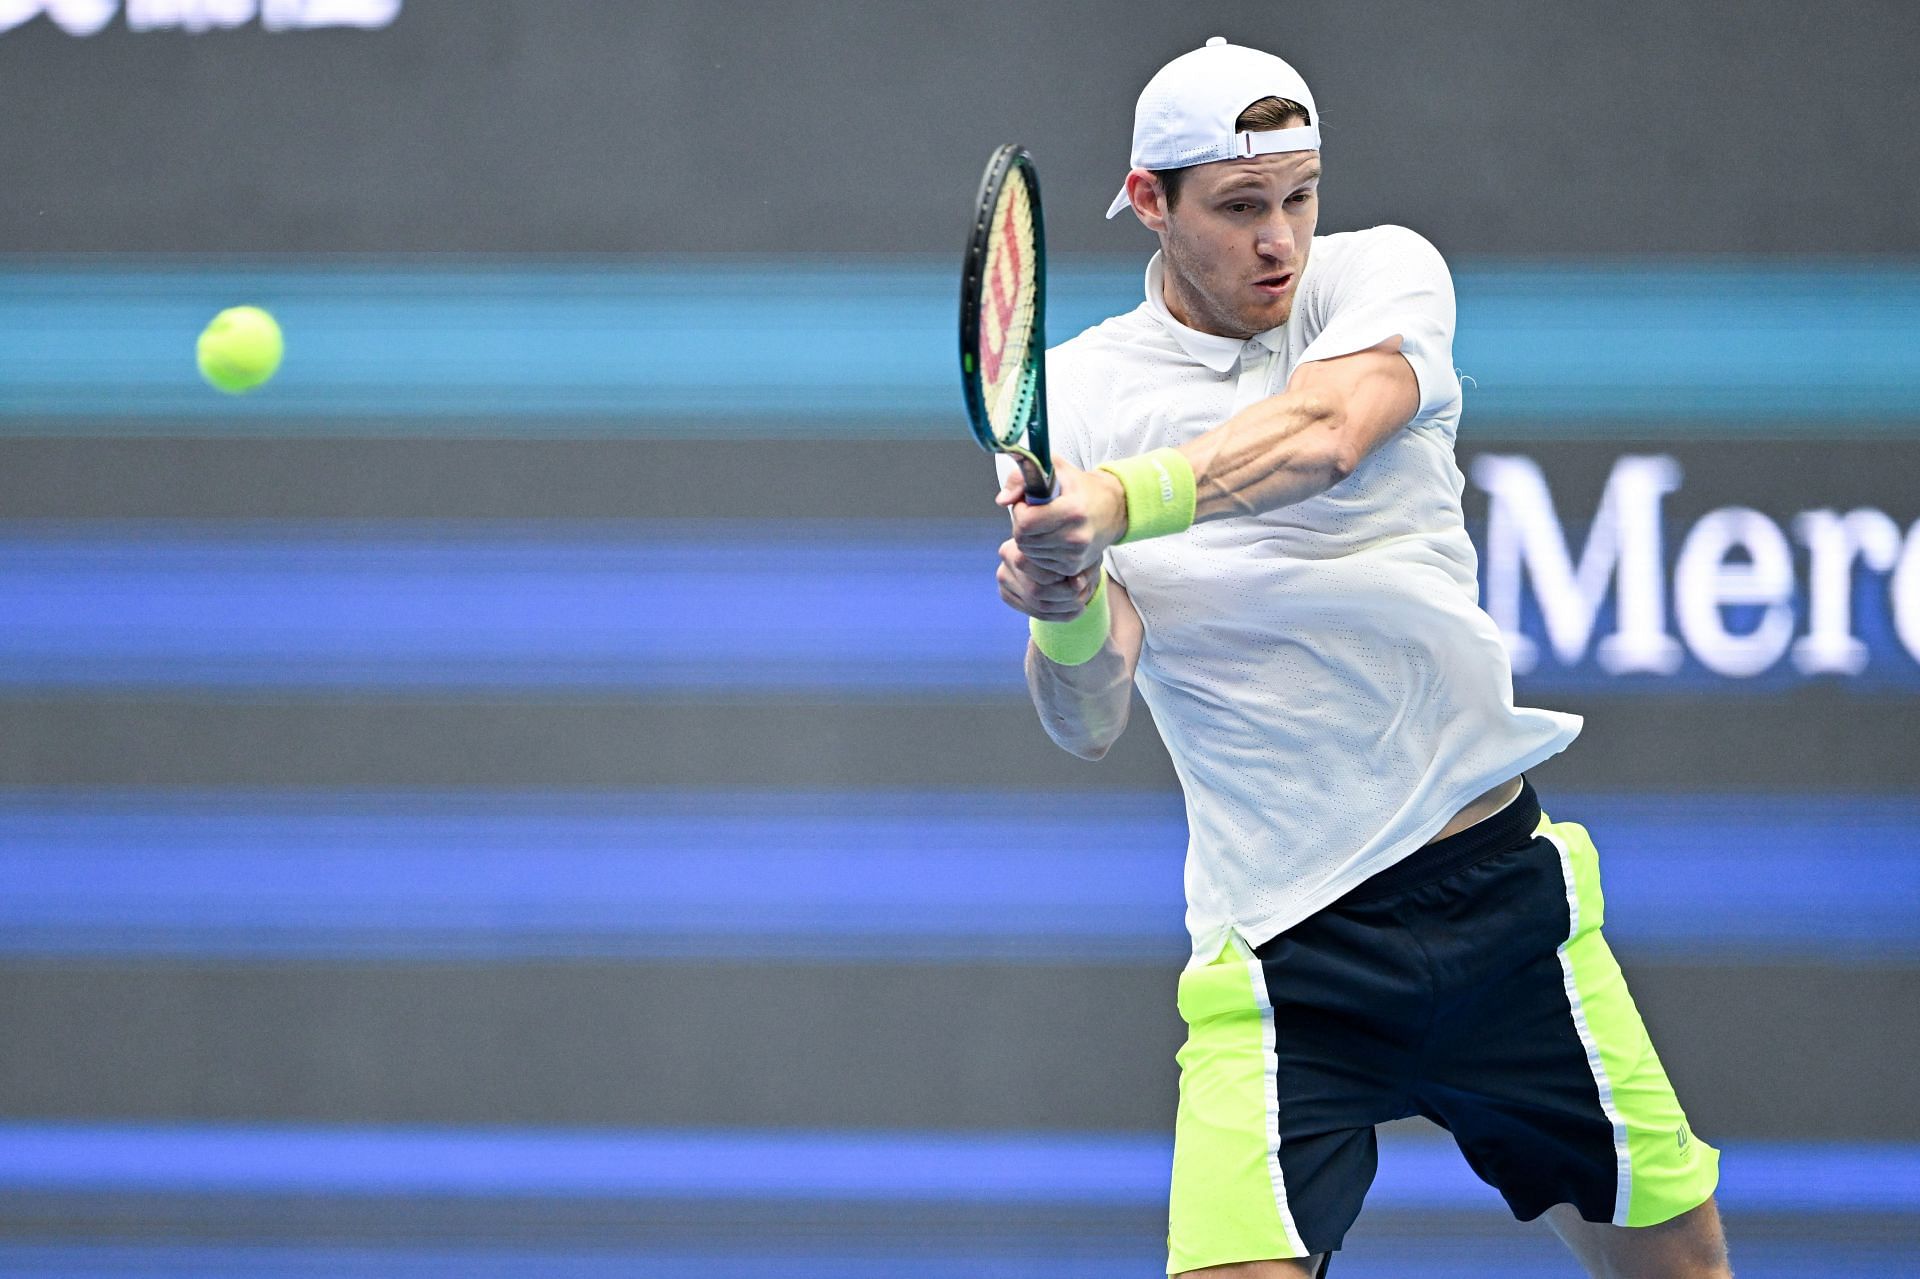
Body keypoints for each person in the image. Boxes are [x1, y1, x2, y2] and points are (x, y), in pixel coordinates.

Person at [992, 37, 1731, 1279]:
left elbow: (1330, 434)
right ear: (1147, 202)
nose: (1281, 238)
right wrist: (1063, 603)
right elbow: (1090, 712)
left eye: (1300, 195)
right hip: (1281, 953)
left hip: (1498, 905)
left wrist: (1115, 502)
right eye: (1239, 207)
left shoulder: (1379, 276)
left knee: (1683, 1271)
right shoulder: (1067, 396)